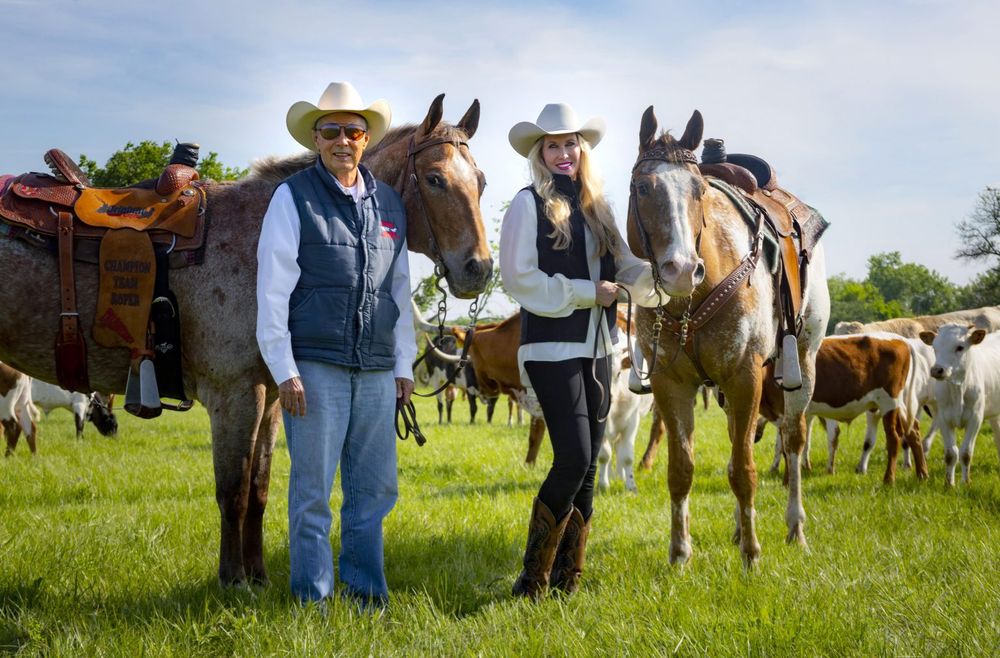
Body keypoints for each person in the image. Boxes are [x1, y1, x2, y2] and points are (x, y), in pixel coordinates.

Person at [256, 81, 416, 608]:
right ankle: (313, 600)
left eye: (352, 131)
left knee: (375, 491)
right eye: (331, 131)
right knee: (312, 494)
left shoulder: (389, 203)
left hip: (376, 368)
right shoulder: (292, 196)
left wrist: (404, 365)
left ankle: (367, 596)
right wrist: (284, 369)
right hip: (315, 366)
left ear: (366, 139)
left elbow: (398, 289)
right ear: (316, 139)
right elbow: (272, 290)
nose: (342, 140)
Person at [500, 102, 661, 599]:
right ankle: (532, 581)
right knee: (573, 458)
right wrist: (589, 293)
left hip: (600, 348)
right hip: (550, 348)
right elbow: (519, 279)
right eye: (552, 146)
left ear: (582, 149)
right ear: (540, 154)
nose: (563, 153)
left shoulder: (599, 207)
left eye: (570, 143)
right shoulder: (527, 204)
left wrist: (665, 275)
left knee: (589, 467)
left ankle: (567, 580)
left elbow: (627, 268)